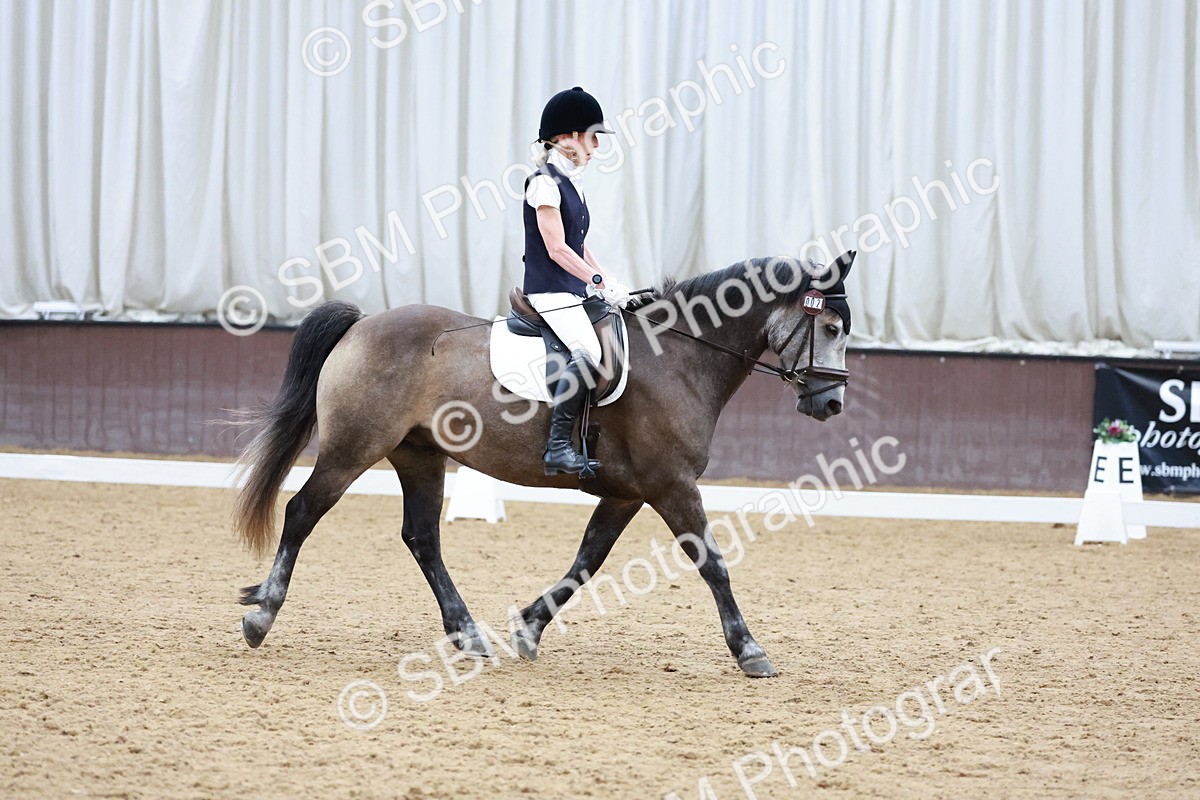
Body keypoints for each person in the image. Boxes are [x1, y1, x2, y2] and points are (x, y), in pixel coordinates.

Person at [523, 87, 632, 476]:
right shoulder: (544, 183)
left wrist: (607, 281)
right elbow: (557, 249)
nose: (598, 146)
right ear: (566, 138)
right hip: (548, 290)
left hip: (570, 290)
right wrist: (597, 280)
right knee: (587, 351)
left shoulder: (573, 183)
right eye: (592, 137)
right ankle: (557, 448)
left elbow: (579, 245)